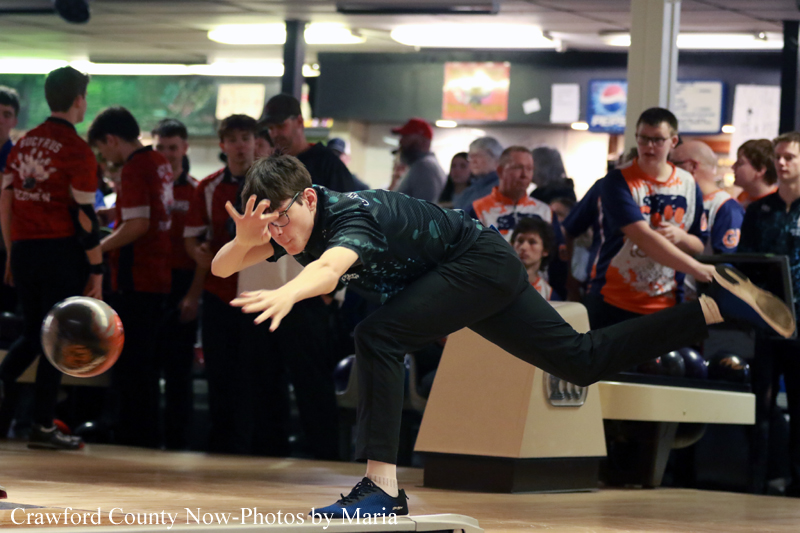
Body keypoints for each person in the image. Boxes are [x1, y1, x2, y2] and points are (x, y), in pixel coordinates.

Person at [210, 154, 794, 517]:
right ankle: (713, 310)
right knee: (580, 360)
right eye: (269, 224)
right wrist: (245, 238)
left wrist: (289, 292)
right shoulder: (291, 227)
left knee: (378, 336)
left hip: (476, 264)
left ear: (309, 197)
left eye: (281, 218)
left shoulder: (349, 216)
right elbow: (222, 267)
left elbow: (328, 268)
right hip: (478, 269)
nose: (277, 232)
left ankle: (381, 487)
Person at [0, 67, 101, 450]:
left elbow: (6, 200)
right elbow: (85, 218)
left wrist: (11, 251)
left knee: (32, 332)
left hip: (24, 249)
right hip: (60, 252)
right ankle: (42, 425)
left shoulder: (23, 143)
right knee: (53, 337)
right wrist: (96, 268)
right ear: (78, 100)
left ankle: (13, 401)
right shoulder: (77, 150)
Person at [90, 106, 173, 448]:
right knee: (148, 365)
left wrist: (99, 248)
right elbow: (149, 210)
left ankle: (133, 437)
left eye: (101, 148)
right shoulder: (158, 161)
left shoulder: (134, 168)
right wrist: (113, 212)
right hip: (159, 274)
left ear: (111, 139)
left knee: (132, 366)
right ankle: (147, 436)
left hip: (136, 277)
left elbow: (138, 225)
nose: (103, 156)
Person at [584, 108, 707, 329]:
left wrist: (682, 238)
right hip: (613, 299)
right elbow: (642, 236)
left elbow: (699, 244)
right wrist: (698, 269)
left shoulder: (688, 183)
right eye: (643, 139)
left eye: (658, 140)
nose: (649, 146)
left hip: (667, 301)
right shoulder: (616, 181)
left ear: (673, 141)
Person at [184, 114, 258, 454]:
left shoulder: (272, 185)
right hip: (219, 293)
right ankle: (220, 445)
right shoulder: (208, 187)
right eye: (233, 139)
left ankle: (254, 445)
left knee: (253, 375)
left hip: (259, 294)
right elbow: (192, 238)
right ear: (223, 145)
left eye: (246, 138)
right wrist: (197, 253)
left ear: (255, 142)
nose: (240, 146)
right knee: (219, 373)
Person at [739, 131, 800, 497]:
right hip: (764, 322)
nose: (781, 162)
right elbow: (743, 262)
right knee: (758, 403)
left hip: (799, 325)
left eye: (790, 157)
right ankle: (756, 480)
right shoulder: (759, 210)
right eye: (778, 156)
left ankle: (796, 481)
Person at [152, 118, 200, 450]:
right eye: (160, 147)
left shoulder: (196, 190)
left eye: (172, 147)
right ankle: (144, 438)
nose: (167, 154)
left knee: (179, 370)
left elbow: (203, 248)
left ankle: (177, 441)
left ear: (184, 148)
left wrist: (193, 294)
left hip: (183, 283)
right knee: (147, 366)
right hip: (150, 283)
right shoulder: (147, 187)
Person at [469, 146, 567, 298]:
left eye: (529, 169)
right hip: (491, 294)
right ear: (500, 171)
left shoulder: (545, 211)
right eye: (518, 168)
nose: (524, 175)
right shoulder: (477, 210)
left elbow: (557, 261)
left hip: (539, 294)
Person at [261, 93, 356, 193]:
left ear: (299, 121)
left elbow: (347, 201)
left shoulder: (328, 164)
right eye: (270, 128)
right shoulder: (270, 166)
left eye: (281, 126)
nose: (275, 134)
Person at [671, 140, 744, 255]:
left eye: (674, 164)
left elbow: (726, 259)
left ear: (692, 166)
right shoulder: (681, 200)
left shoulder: (725, 206)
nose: (670, 169)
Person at [390, 118, 445, 202]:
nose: (401, 141)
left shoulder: (424, 167)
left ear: (423, 141)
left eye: (406, 136)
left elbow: (424, 207)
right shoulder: (419, 165)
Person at [0, 86, 20, 314]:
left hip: (4, 247)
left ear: (15, 120)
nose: (0, 120)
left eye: (6, 114)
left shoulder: (17, 159)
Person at [510, 217, 557, 301]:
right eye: (520, 241)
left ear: (545, 250)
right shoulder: (496, 286)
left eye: (532, 242)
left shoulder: (549, 295)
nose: (523, 247)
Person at [454, 136, 503, 211]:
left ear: (496, 158)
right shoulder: (468, 192)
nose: (473, 161)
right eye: (470, 156)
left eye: (478, 156)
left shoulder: (504, 189)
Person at [733, 139, 778, 209]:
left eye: (740, 163)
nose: (733, 167)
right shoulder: (743, 196)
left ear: (760, 170)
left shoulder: (778, 203)